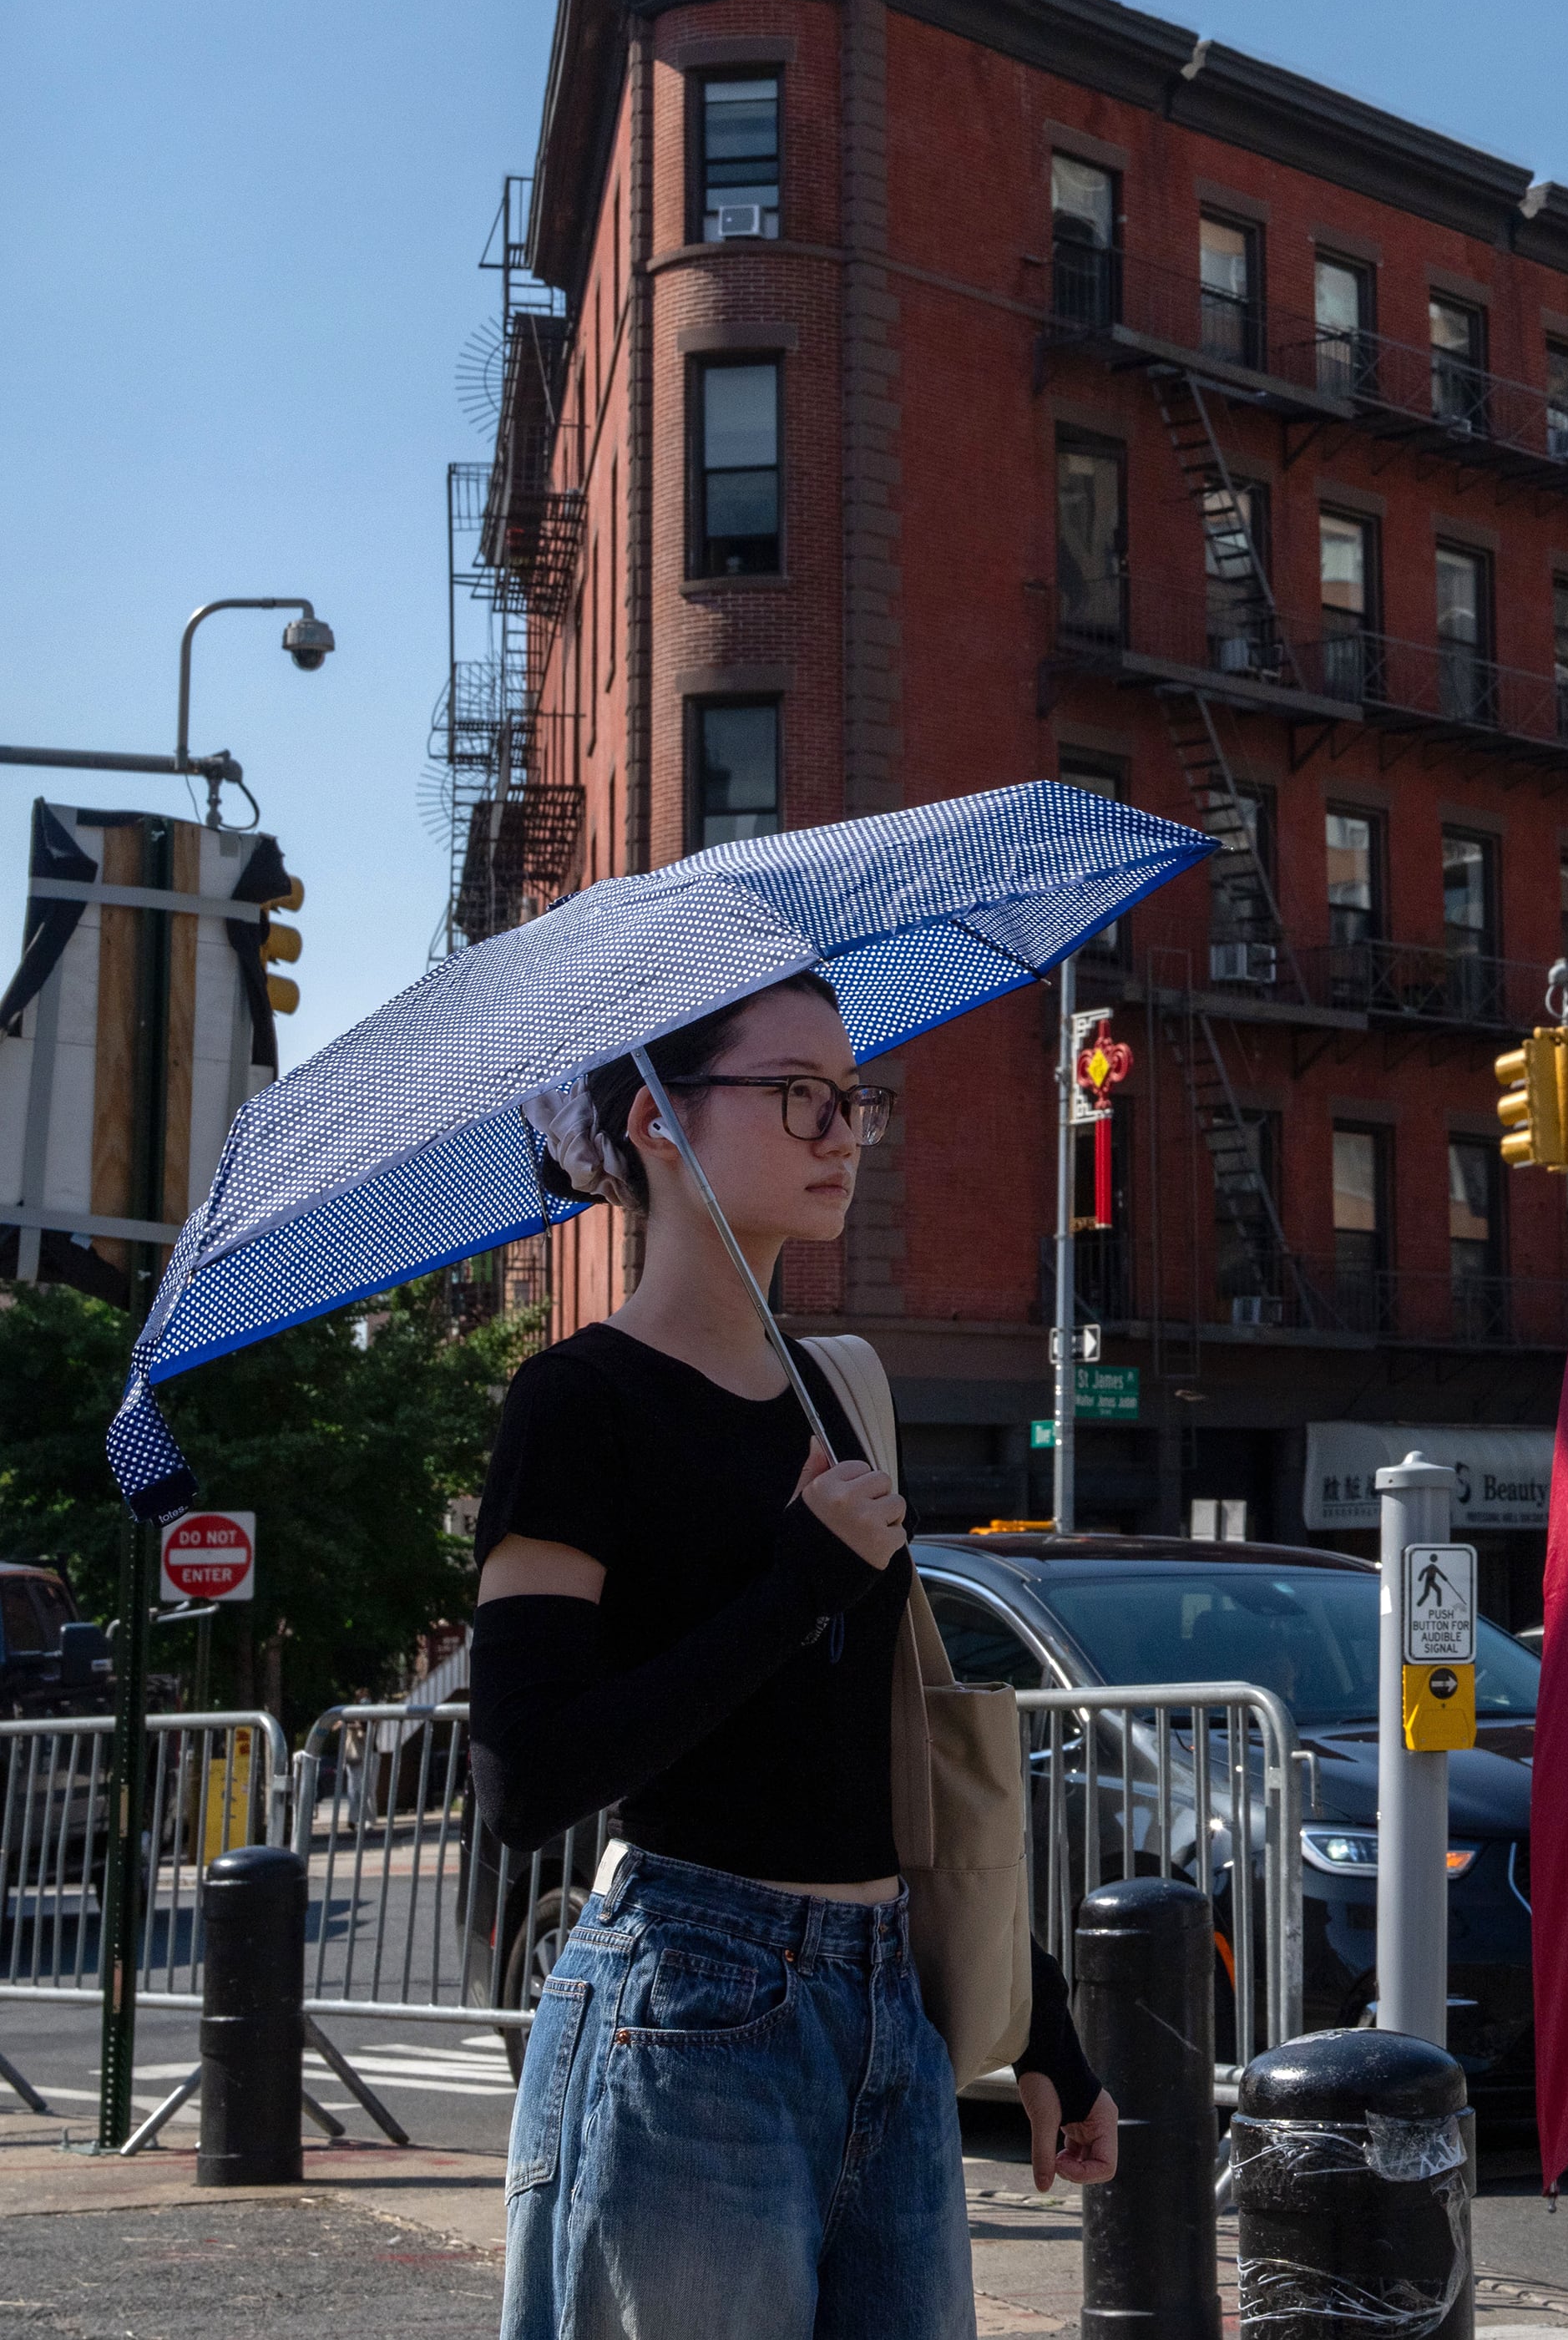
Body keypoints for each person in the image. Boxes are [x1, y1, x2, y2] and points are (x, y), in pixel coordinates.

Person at [472, 971, 1116, 2340]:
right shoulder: (575, 1405)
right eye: (796, 1096)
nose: (840, 1133)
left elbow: (887, 1734)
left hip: (889, 2003)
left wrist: (1041, 2020)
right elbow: (528, 1776)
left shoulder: (842, 1391)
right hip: (686, 2005)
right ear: (659, 1119)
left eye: (853, 1099)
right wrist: (795, 1583)